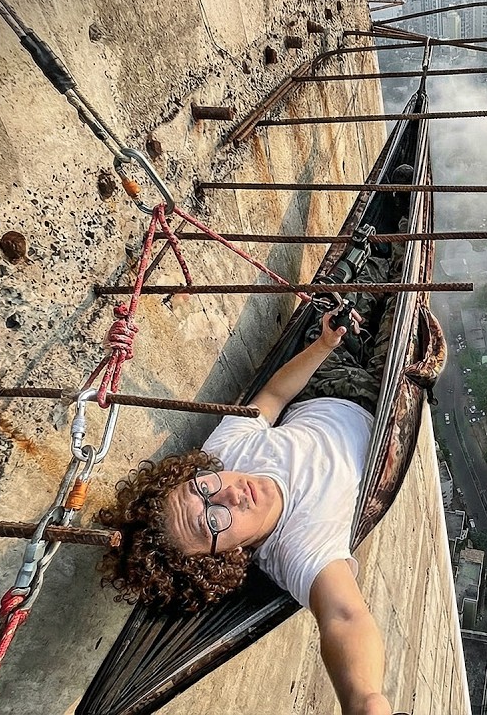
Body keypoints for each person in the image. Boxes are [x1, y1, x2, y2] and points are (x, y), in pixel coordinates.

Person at [98, 303, 394, 715]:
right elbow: (343, 617)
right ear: (227, 557)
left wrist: (325, 344)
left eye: (204, 489)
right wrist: (366, 702)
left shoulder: (223, 452)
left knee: (355, 289)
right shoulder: (298, 552)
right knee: (402, 317)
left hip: (326, 382)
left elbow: (273, 397)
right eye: (215, 521)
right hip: (383, 408)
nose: (230, 495)